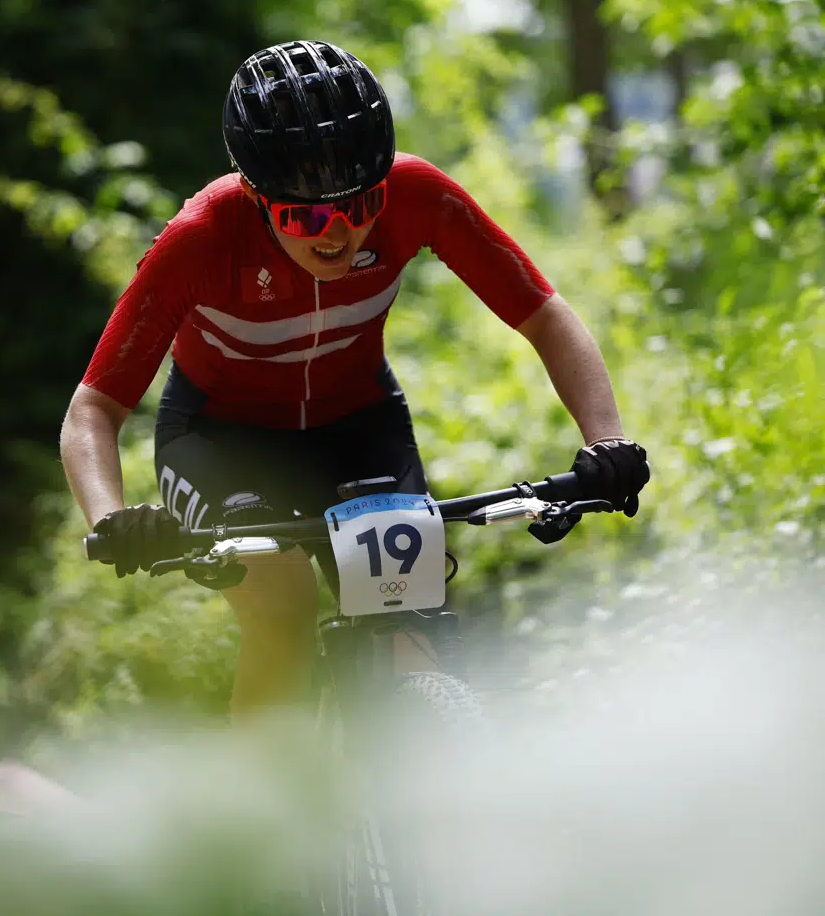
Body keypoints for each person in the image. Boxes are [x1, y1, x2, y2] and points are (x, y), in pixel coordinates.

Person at [59, 40, 650, 719]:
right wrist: (111, 519)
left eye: (361, 202)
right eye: (305, 215)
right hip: (223, 440)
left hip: (359, 426)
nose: (337, 231)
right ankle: (258, 820)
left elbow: (546, 315)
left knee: (412, 627)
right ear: (255, 195)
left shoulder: (418, 194)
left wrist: (607, 442)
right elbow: (92, 411)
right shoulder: (201, 237)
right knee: (283, 609)